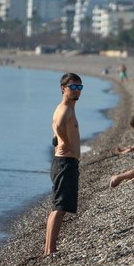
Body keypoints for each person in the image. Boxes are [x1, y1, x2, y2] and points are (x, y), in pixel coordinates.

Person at [44, 73, 83, 256]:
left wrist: (60, 141)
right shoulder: (66, 108)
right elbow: (58, 126)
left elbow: (55, 128)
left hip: (66, 162)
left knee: (60, 208)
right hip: (65, 163)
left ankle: (49, 249)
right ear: (63, 89)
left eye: (79, 87)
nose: (77, 91)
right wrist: (64, 143)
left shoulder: (67, 107)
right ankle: (50, 250)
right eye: (73, 87)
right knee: (59, 208)